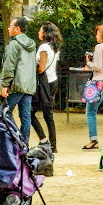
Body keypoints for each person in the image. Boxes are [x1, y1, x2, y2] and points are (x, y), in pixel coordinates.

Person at [0, 16, 37, 144]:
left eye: (11, 26)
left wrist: (5, 84)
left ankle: (16, 138)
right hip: (29, 86)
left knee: (5, 112)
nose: (8, 28)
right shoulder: (32, 44)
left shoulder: (14, 44)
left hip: (16, 85)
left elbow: (9, 66)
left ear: (17, 29)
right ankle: (24, 143)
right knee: (26, 117)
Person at [31, 22, 62, 153]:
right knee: (48, 114)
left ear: (45, 33)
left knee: (30, 112)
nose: (38, 33)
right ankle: (53, 144)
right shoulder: (55, 47)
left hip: (44, 83)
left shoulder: (43, 47)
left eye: (40, 30)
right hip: (53, 80)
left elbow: (41, 68)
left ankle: (43, 139)